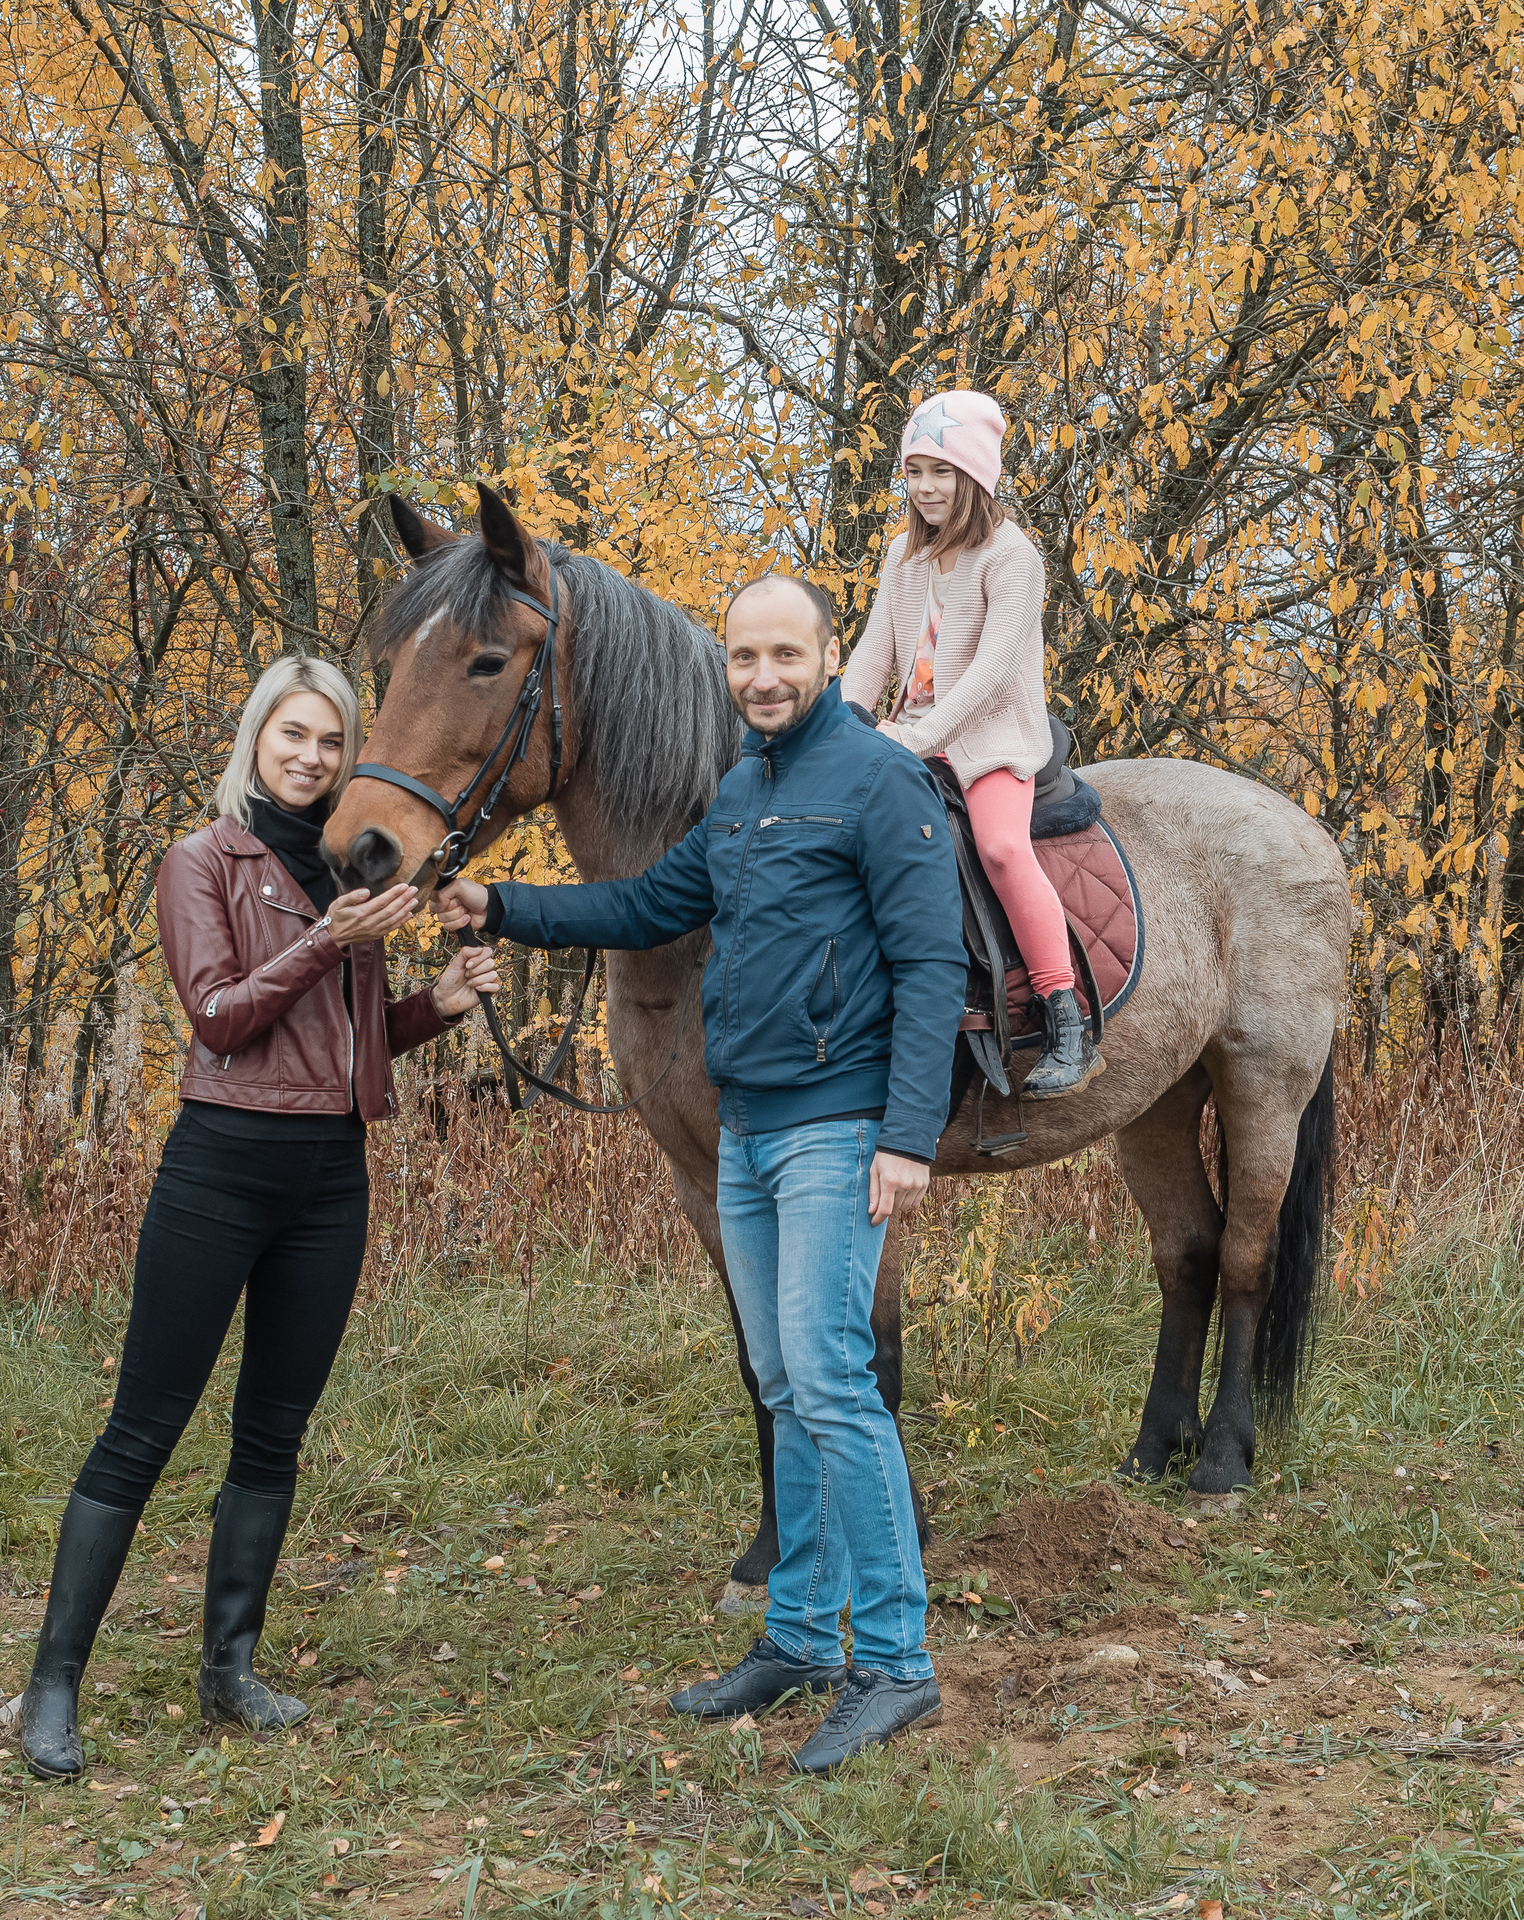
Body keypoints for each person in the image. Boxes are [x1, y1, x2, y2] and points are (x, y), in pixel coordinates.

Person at [437, 575, 964, 1775]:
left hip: (837, 1125)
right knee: (782, 1379)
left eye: (786, 653)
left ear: (830, 657)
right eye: (742, 657)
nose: (762, 676)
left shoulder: (878, 781)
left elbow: (932, 964)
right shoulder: (741, 789)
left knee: (834, 1383)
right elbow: (649, 902)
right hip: (752, 1131)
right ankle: (798, 1642)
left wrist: (906, 1136)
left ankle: (893, 1662)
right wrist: (500, 903)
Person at [17, 654, 499, 1781]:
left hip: (331, 1178)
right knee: (141, 1432)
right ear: (256, 740)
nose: (312, 757)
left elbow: (347, 1040)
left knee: (271, 1435)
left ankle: (228, 1672)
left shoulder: (354, 866)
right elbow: (222, 1020)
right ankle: (51, 1687)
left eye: (331, 740)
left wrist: (436, 1004)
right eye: (293, 735)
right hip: (220, 1170)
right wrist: (326, 941)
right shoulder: (204, 858)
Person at [841, 390, 1100, 1097]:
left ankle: (1063, 1012)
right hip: (907, 731)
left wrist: (922, 736)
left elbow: (989, 672)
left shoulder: (1012, 558)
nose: (925, 488)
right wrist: (833, 723)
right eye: (914, 471)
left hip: (989, 737)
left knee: (1001, 848)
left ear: (975, 477)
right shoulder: (903, 554)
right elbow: (875, 649)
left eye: (942, 472)